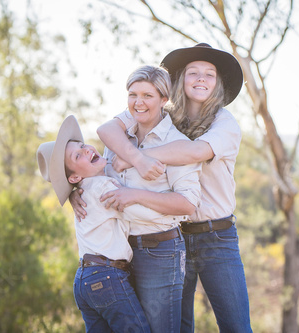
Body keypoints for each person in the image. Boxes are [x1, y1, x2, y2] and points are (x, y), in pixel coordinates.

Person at [95, 43, 252, 332]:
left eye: (209, 74)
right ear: (180, 80)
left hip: (215, 236)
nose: (201, 78)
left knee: (235, 326)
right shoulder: (161, 112)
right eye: (193, 72)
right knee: (179, 326)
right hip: (171, 239)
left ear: (218, 84)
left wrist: (135, 159)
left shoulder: (225, 124)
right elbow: (107, 130)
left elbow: (193, 153)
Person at [71, 65, 203, 332]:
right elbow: (96, 175)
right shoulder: (119, 139)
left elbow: (188, 204)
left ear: (164, 100)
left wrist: (135, 195)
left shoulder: (176, 144)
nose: (138, 103)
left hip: (160, 252)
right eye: (133, 95)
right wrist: (75, 192)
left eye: (147, 96)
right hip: (120, 257)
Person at [36, 115, 151, 333]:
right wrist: (175, 210)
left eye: (82, 146)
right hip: (107, 277)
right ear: (73, 178)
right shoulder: (102, 187)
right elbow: (141, 215)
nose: (87, 150)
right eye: (77, 155)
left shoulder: (86, 189)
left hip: (84, 281)